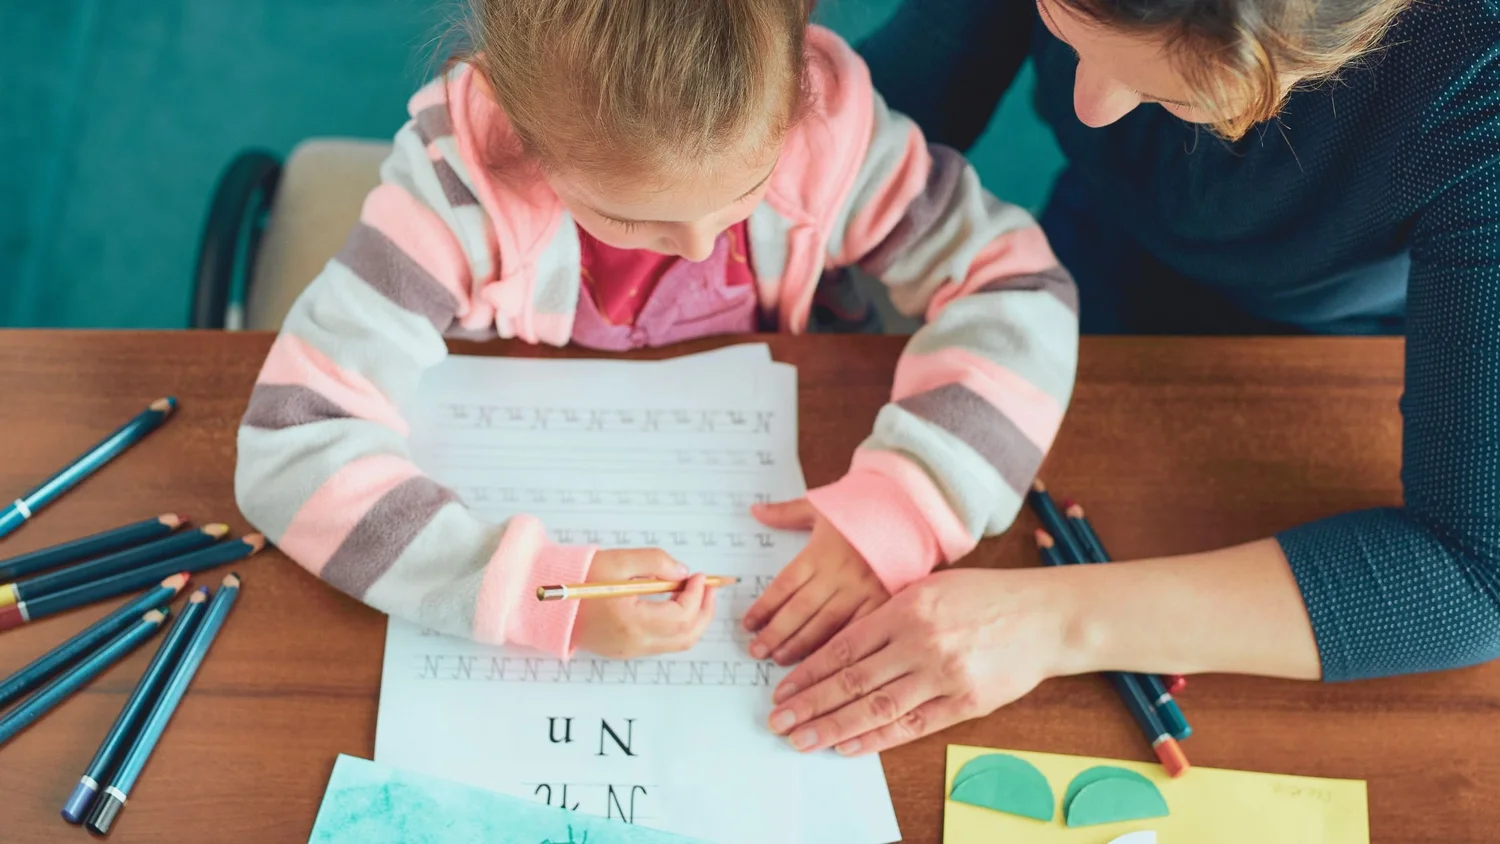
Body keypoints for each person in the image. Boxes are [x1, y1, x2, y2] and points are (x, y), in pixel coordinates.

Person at [757, 0, 1500, 758]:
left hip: (1325, 359)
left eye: (1181, 95)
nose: (1090, 106)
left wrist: (1056, 623)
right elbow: (861, 136)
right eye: (1063, 27)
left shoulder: (1480, 73)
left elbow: (1476, 575)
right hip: (1073, 276)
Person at [234, 0, 1078, 661]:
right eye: (626, 217)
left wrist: (910, 502)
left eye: (746, 191)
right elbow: (292, 445)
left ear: (796, 89)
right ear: (521, 134)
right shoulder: (456, 189)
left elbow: (1021, 289)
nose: (703, 247)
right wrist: (537, 590)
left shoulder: (825, 137)